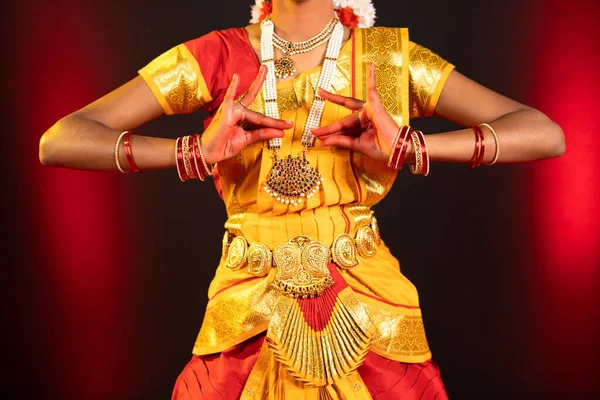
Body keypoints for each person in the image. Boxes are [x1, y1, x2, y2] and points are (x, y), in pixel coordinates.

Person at [38, 0, 565, 398]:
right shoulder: (219, 55)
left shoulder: (385, 58)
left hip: (366, 299)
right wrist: (192, 151)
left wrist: (411, 146)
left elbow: (544, 133)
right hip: (249, 305)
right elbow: (59, 140)